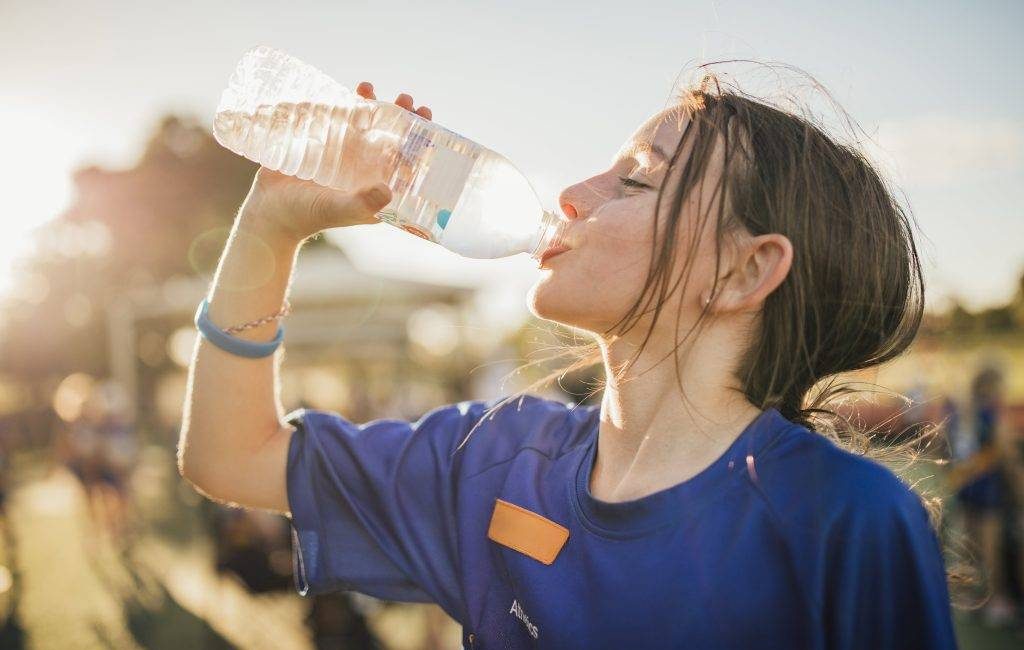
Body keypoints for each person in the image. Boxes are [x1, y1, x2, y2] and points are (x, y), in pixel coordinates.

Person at [178, 71, 958, 649]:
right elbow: (231, 456)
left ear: (743, 271)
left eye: (637, 178)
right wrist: (270, 228)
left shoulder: (844, 519)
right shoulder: (496, 462)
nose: (576, 195)